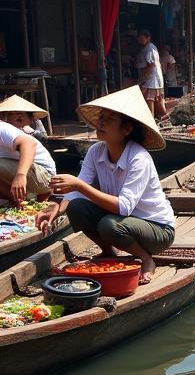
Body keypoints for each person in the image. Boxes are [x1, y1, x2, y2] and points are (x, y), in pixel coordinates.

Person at [36, 87, 175, 285]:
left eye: (109, 120)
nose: (100, 122)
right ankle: (109, 252)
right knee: (77, 209)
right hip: (123, 221)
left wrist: (80, 187)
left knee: (109, 225)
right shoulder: (96, 151)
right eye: (101, 117)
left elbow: (123, 206)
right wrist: (57, 210)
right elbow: (78, 190)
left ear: (126, 130)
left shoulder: (139, 158)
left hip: (157, 230)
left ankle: (146, 258)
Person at [0, 97, 56, 205]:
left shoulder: (3, 128)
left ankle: (25, 197)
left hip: (45, 176)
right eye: (13, 113)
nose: (19, 116)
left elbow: (29, 144)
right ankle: (17, 200)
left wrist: (20, 175)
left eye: (22, 114)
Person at [135, 30, 167, 122]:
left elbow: (151, 65)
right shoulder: (149, 48)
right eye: (139, 39)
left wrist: (143, 79)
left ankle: (150, 120)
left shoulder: (150, 49)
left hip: (151, 78)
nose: (140, 41)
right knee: (156, 99)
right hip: (152, 78)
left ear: (148, 38)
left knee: (149, 99)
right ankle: (159, 117)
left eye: (142, 38)